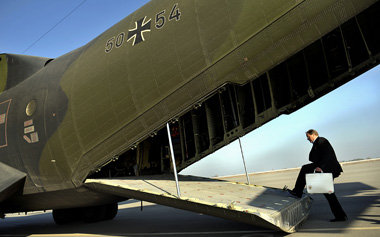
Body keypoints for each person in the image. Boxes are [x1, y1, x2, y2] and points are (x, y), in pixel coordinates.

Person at [288, 129, 347, 222]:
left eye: (308, 136)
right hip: (326, 168)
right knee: (329, 194)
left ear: (313, 134)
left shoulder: (321, 141)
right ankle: (340, 216)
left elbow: (327, 155)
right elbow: (312, 157)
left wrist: (321, 167)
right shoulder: (316, 143)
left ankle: (297, 191)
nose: (307, 139)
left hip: (328, 168)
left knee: (305, 168)